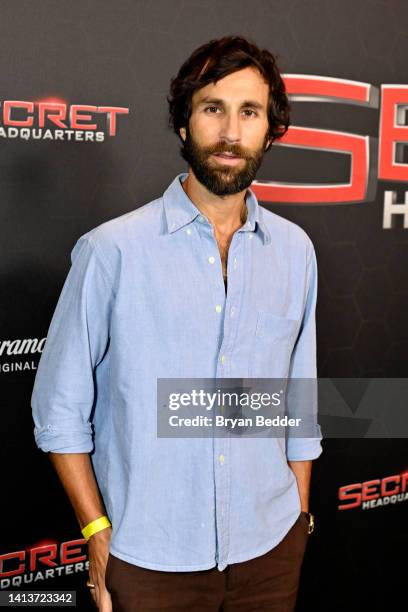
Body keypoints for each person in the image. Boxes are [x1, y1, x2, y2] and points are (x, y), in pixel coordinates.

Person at [31, 35, 323, 612]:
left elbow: (298, 400)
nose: (231, 133)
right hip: (149, 559)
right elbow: (58, 409)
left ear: (271, 128)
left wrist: (297, 516)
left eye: (250, 112)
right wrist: (97, 535)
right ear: (185, 125)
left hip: (270, 548)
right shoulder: (112, 251)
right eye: (213, 109)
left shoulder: (295, 251)